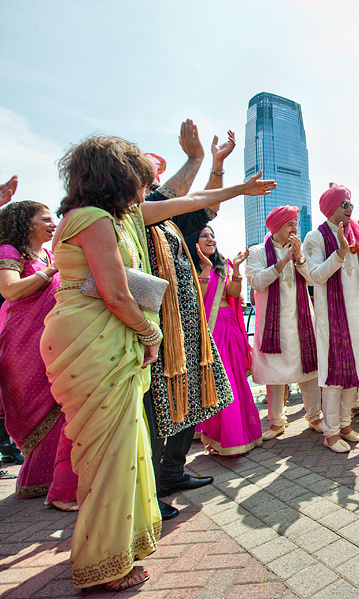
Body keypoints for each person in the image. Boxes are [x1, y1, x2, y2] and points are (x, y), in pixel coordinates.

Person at [41, 134, 275, 591]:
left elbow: (193, 199)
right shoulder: (89, 220)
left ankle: (122, 543)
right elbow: (114, 291)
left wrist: (237, 191)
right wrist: (151, 334)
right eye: (141, 178)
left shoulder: (122, 217)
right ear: (119, 177)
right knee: (109, 454)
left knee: (125, 449)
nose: (148, 188)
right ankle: (103, 562)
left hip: (113, 335)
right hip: (92, 336)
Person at [143, 125, 240, 519]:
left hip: (188, 329)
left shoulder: (171, 224)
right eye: (150, 178)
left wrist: (216, 164)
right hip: (156, 330)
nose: (160, 185)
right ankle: (147, 493)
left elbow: (206, 206)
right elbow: (171, 196)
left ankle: (171, 474)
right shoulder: (136, 215)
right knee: (153, 412)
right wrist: (197, 159)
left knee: (194, 402)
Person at [0, 200, 77, 508]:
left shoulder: (47, 253)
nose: (52, 223)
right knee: (45, 406)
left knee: (63, 402)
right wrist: (51, 270)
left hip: (53, 338)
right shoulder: (9, 252)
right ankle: (54, 487)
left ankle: (54, 481)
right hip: (24, 342)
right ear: (25, 223)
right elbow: (11, 291)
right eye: (44, 219)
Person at [304, 185, 359, 453]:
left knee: (356, 371)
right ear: (331, 208)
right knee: (333, 375)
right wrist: (340, 252)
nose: (349, 208)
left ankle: (344, 425)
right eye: (344, 204)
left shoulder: (357, 237)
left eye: (350, 204)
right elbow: (316, 275)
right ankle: (330, 433)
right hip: (331, 317)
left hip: (357, 315)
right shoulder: (314, 238)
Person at [246, 206, 321, 441]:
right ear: (277, 227)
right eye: (290, 224)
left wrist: (298, 259)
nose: (294, 228)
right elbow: (257, 282)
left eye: (295, 224)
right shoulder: (257, 252)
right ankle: (276, 422)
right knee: (274, 373)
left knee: (309, 370)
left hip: (302, 320)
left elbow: (312, 279)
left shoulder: (298, 251)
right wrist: (283, 261)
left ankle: (315, 417)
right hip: (272, 324)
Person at [191, 226, 262, 456]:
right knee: (221, 381)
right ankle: (222, 437)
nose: (210, 238)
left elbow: (232, 293)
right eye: (204, 235)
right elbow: (198, 298)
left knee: (236, 380)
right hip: (210, 328)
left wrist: (238, 269)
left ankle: (240, 437)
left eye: (212, 235)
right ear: (195, 241)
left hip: (228, 325)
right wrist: (205, 269)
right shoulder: (192, 266)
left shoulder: (225, 265)